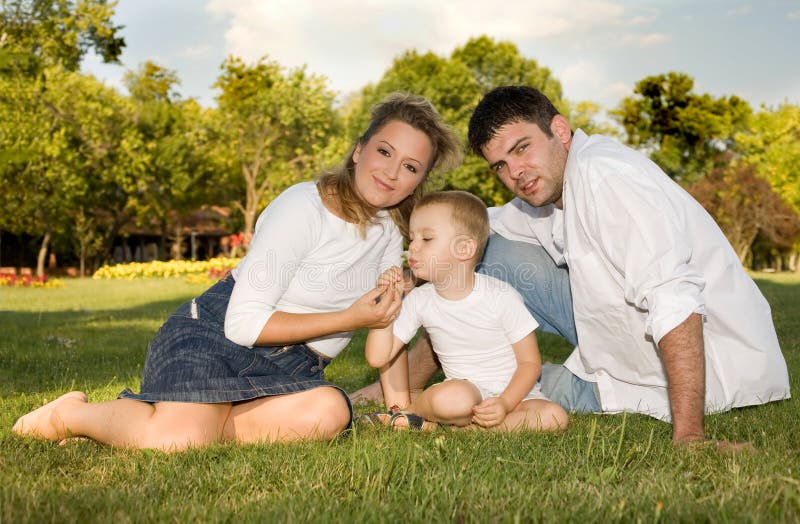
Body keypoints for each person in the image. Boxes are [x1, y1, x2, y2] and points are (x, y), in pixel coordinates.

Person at [12, 92, 462, 451]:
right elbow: (244, 324)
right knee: (178, 442)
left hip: (296, 366)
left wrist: (400, 404)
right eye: (384, 151)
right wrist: (353, 319)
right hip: (215, 338)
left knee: (330, 412)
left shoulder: (389, 233)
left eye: (409, 167)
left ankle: (201, 421)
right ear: (357, 150)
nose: (390, 172)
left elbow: (384, 330)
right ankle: (70, 414)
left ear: (417, 182)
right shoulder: (302, 207)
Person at [354, 85, 791, 446]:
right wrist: (415, 273)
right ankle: (405, 392)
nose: (516, 172)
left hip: (705, 361)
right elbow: (473, 228)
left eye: (522, 148)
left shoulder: (606, 177)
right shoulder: (544, 196)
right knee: (472, 249)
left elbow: (673, 296)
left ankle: (426, 401)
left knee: (525, 384)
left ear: (560, 131)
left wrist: (689, 435)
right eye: (501, 166)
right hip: (611, 344)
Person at [365, 191, 568, 432]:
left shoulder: (501, 295)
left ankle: (458, 430)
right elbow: (378, 357)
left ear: (464, 249)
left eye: (426, 239)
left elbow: (529, 363)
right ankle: (410, 413)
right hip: (464, 392)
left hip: (514, 396)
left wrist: (504, 403)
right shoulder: (420, 300)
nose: (413, 249)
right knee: (453, 399)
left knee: (554, 417)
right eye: (412, 239)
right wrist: (385, 308)